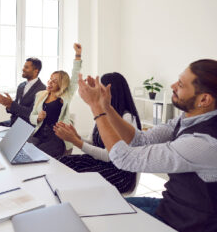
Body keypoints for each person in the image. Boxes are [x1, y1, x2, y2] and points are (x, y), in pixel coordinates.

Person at [77, 59, 217, 231]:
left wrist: (96, 107)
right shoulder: (188, 118)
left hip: (186, 224)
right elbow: (140, 141)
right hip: (170, 206)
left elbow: (125, 159)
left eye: (180, 85)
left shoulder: (205, 143)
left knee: (100, 222)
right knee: (100, 209)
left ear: (204, 99)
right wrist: (106, 106)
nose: (172, 86)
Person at [54, 72, 141, 193]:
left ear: (113, 92)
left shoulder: (126, 118)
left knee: (77, 179)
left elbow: (109, 156)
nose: (97, 92)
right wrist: (76, 137)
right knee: (62, 162)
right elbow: (93, 142)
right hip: (100, 162)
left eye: (100, 89)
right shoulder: (103, 112)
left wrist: (76, 142)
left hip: (118, 171)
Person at [29, 43, 83, 159]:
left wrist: (77, 55)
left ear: (61, 84)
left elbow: (74, 78)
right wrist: (38, 118)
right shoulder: (40, 95)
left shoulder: (65, 96)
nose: (50, 82)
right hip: (39, 133)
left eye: (55, 81)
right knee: (23, 150)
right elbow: (32, 116)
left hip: (56, 137)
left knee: (36, 155)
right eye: (50, 79)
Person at [0, 58, 46, 127]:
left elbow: (32, 113)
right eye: (24, 66)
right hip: (13, 121)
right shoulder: (21, 86)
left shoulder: (42, 89)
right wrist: (8, 105)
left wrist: (11, 104)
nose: (23, 69)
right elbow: (16, 108)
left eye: (26, 67)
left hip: (26, 126)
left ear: (36, 71)